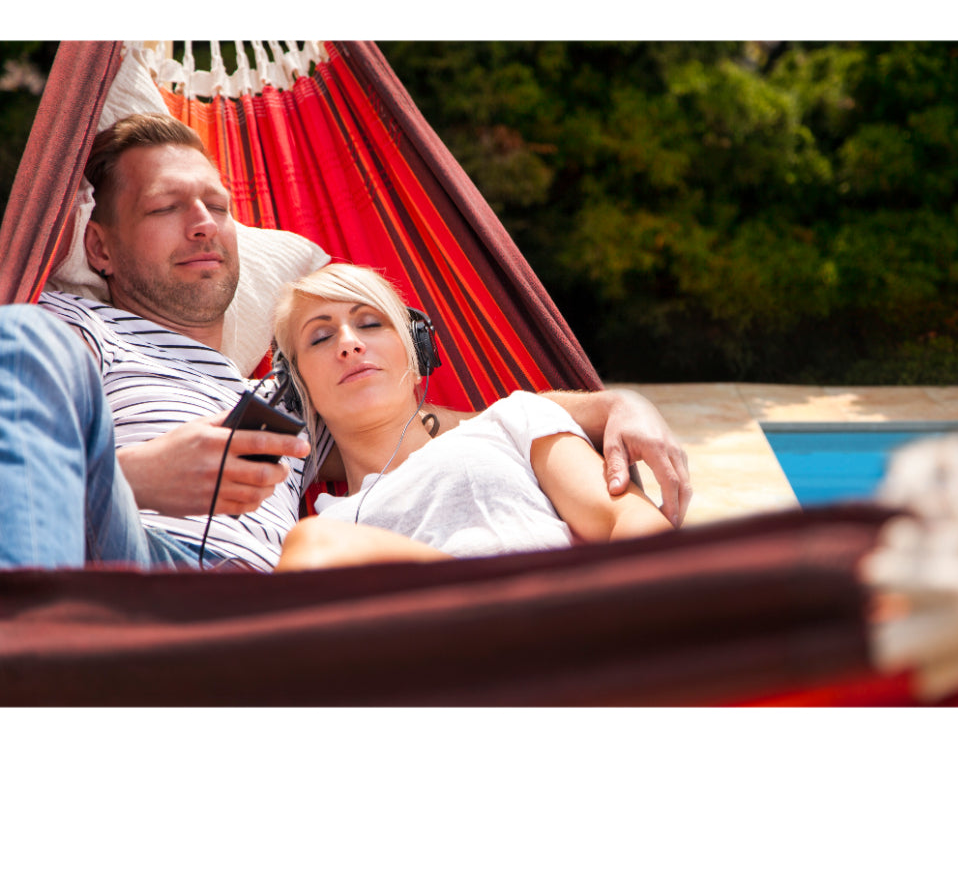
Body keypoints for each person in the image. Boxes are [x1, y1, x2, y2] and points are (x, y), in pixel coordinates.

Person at [0, 112, 691, 570]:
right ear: (101, 246)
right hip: (131, 554)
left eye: (218, 205)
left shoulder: (288, 401)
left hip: (254, 607)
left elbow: (454, 423)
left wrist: (617, 403)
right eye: (164, 208)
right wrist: (141, 476)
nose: (203, 224)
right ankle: (36, 646)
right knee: (22, 336)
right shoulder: (74, 328)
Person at [271, 264, 672, 570]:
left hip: (566, 622)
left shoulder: (511, 421)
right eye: (320, 337)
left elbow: (629, 518)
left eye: (371, 323)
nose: (349, 344)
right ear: (297, 383)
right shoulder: (326, 524)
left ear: (416, 351)